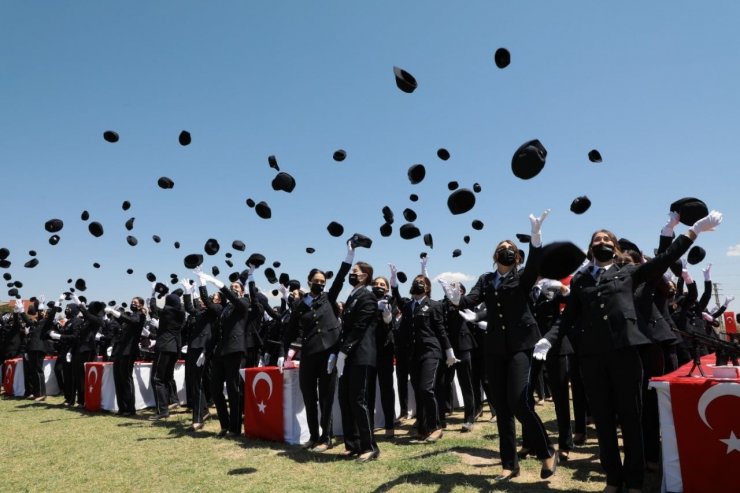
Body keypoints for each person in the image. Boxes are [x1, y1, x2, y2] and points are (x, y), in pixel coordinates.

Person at [538, 210, 723, 493]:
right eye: (596, 240)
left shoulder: (629, 272)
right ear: (590, 249)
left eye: (606, 239)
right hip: (592, 357)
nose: (601, 242)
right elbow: (568, 317)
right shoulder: (581, 281)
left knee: (630, 417)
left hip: (625, 353)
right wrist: (549, 339)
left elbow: (664, 259)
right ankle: (613, 478)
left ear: (614, 247)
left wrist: (692, 231)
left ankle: (634, 479)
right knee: (602, 418)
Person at [441, 210, 556, 481]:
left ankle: (547, 451)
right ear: (495, 256)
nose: (505, 251)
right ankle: (509, 464)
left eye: (510, 249)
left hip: (521, 345)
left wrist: (536, 239)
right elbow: (471, 301)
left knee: (518, 401)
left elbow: (537, 264)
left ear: (516, 256)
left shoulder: (523, 276)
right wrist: (456, 299)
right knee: (502, 406)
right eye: (501, 249)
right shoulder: (485, 280)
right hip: (494, 347)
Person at [283, 264, 346, 452]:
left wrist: (348, 256)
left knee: (326, 398)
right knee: (310, 398)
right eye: (316, 281)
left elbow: (340, 279)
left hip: (328, 355)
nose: (319, 284)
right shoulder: (300, 305)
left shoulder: (329, 298)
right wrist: (285, 353)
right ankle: (313, 436)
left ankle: (326, 438)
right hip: (308, 355)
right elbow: (291, 330)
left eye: (322, 282)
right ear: (309, 282)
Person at [196, 265, 259, 437]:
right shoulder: (224, 309)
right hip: (220, 352)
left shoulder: (244, 303)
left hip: (235, 351)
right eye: (231, 288)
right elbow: (209, 306)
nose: (233, 289)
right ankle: (224, 425)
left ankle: (235, 428)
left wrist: (221, 285)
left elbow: (238, 301)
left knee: (233, 390)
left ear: (242, 291)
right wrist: (202, 282)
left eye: (236, 287)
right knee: (215, 389)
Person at [334, 241, 379, 462]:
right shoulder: (353, 296)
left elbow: (360, 327)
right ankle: (353, 443)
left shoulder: (368, 297)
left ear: (364, 276)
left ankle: (369, 446)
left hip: (360, 355)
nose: (352, 275)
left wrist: (344, 351)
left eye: (355, 272)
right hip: (349, 355)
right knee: (345, 399)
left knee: (358, 400)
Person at [182, 281, 219, 431]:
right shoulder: (201, 312)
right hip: (193, 348)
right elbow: (189, 308)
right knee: (193, 381)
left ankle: (197, 418)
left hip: (203, 349)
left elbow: (212, 335)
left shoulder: (215, 311)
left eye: (212, 299)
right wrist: (187, 292)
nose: (205, 302)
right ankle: (203, 411)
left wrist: (205, 351)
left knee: (197, 382)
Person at [148, 290, 186, 420]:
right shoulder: (181, 313)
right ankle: (171, 401)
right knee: (167, 377)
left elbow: (153, 307)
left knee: (158, 379)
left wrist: (153, 295)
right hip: (174, 348)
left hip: (164, 347)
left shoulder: (167, 312)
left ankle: (162, 410)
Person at [105, 297, 146, 416]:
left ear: (140, 305)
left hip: (129, 351)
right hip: (120, 351)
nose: (132, 304)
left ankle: (129, 408)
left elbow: (132, 321)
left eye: (135, 303)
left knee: (126, 379)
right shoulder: (132, 315)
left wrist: (115, 312)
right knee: (118, 378)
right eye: (132, 302)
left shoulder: (140, 315)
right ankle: (121, 407)